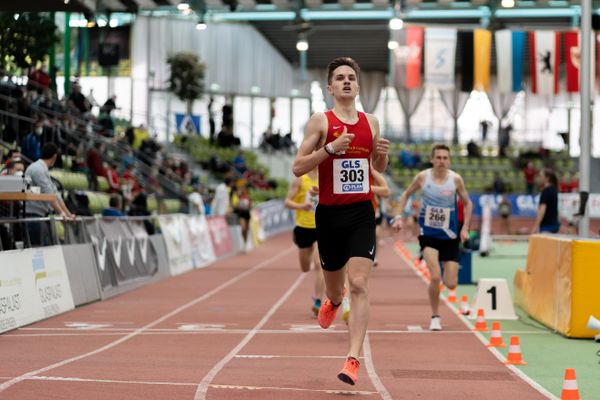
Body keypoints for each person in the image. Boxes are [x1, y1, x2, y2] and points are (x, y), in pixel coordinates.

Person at [292, 57, 390, 385]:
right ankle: (334, 300)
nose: (346, 82)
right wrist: (330, 150)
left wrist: (382, 156)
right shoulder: (321, 122)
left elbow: (377, 166)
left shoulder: (372, 123)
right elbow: (298, 166)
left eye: (351, 77)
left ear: (358, 86)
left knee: (360, 283)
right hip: (330, 215)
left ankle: (352, 359)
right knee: (336, 286)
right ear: (330, 87)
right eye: (340, 78)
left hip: (362, 212)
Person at [391, 144, 472, 331]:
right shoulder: (422, 177)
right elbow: (405, 195)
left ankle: (446, 279)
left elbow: (468, 204)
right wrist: (398, 216)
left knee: (451, 284)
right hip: (428, 235)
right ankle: (435, 316)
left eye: (445, 158)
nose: (442, 161)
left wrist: (465, 228)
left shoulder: (456, 180)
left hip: (450, 236)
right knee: (435, 277)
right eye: (439, 157)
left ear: (449, 160)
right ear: (432, 159)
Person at [284, 167, 325, 316]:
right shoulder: (301, 179)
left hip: (321, 226)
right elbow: (287, 202)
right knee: (305, 267)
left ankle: (318, 301)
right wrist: (301, 206)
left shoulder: (326, 177)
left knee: (319, 264)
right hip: (303, 227)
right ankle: (318, 300)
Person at [25, 143, 76, 246]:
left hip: (40, 216)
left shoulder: (43, 170)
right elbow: (49, 195)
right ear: (55, 156)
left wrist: (68, 214)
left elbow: (55, 194)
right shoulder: (37, 169)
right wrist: (61, 214)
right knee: (39, 250)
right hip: (33, 216)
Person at [370, 168, 390, 267]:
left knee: (376, 235)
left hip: (377, 213)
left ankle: (375, 256)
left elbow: (386, 194)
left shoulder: (378, 181)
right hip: (365, 212)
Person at [531, 168, 560, 234]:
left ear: (547, 178)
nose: (539, 178)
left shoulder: (546, 191)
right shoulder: (554, 190)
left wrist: (535, 227)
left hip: (547, 226)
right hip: (554, 225)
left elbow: (542, 211)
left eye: (541, 176)